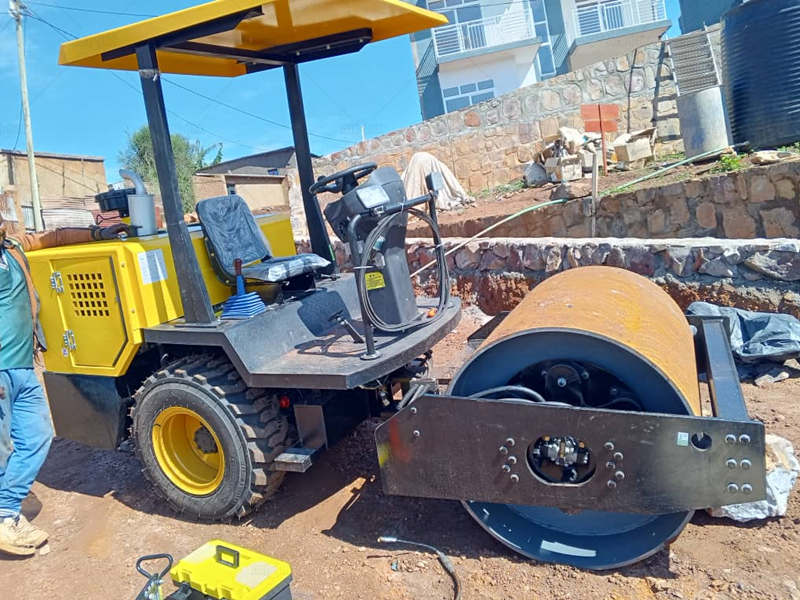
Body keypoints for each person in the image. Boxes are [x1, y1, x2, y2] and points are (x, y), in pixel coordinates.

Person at [0, 215, 127, 556]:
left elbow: (51, 238)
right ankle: (5, 516)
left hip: (23, 367)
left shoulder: (12, 248)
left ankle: (5, 512)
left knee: (36, 437)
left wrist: (98, 233)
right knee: (1, 450)